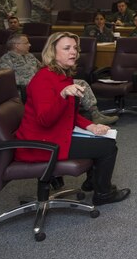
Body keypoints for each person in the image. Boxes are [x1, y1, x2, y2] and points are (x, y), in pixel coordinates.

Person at [15, 32, 130, 205]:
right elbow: (44, 120)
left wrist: (91, 126)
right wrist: (62, 96)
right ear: (53, 52)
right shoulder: (43, 79)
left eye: (75, 48)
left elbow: (69, 113)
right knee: (107, 147)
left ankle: (93, 181)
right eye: (67, 48)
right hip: (41, 143)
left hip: (55, 134)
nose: (73, 52)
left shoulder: (61, 76)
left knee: (101, 137)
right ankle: (103, 194)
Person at [0, 33, 117, 124]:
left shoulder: (30, 56)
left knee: (81, 83)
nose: (29, 45)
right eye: (26, 43)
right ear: (16, 46)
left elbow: (42, 68)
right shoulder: (6, 59)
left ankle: (95, 113)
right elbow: (7, 81)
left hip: (44, 83)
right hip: (25, 89)